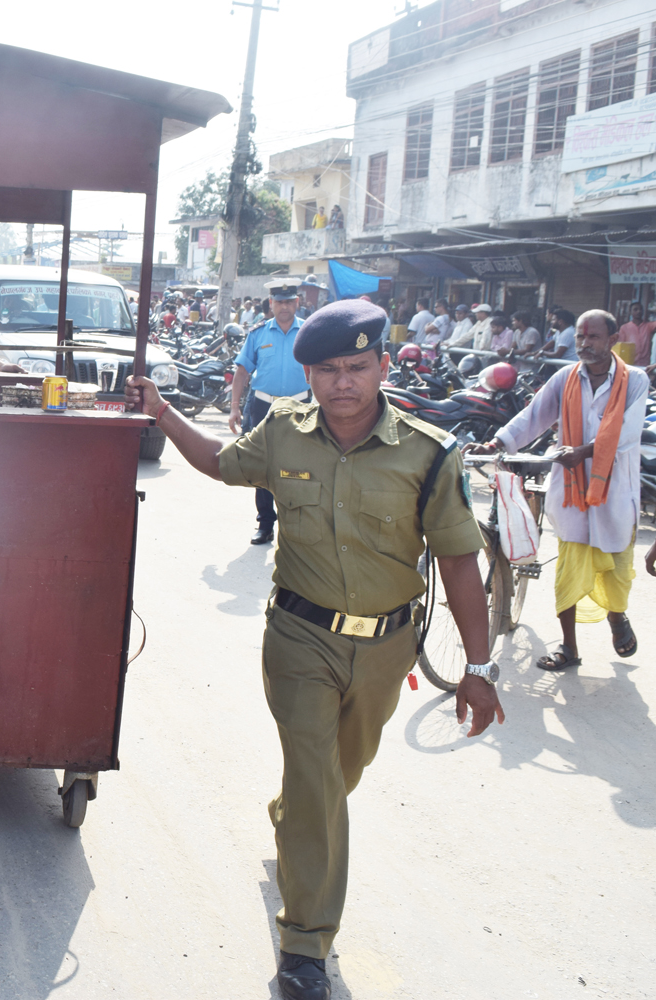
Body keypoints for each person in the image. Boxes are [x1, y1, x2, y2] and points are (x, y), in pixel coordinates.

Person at [125, 299, 502, 1000]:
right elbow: (220, 462)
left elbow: (457, 563)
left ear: (384, 366)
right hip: (300, 637)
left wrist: (477, 671)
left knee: (338, 773)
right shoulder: (282, 432)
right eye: (327, 369)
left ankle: (293, 822)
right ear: (307, 373)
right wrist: (164, 412)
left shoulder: (428, 452)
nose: (343, 382)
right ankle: (305, 946)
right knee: (316, 774)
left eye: (358, 366)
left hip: (388, 648)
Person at [471, 309, 647, 669]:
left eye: (592, 337)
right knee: (568, 569)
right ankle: (569, 648)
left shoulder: (636, 380)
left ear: (613, 341)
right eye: (580, 336)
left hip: (615, 491)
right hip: (570, 490)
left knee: (615, 569)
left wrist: (582, 452)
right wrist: (495, 444)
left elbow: (626, 434)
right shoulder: (566, 377)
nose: (584, 343)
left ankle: (617, 618)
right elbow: (534, 416)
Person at [229, 279, 312, 546]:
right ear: (271, 304)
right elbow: (242, 372)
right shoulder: (258, 334)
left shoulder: (309, 333)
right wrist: (233, 409)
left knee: (299, 466)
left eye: (289, 301)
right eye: (279, 301)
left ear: (297, 303)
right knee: (264, 467)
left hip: (300, 406)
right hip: (263, 406)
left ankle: (295, 525)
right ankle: (265, 524)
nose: (284, 306)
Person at [617, 302, 655, 366]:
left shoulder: (648, 326)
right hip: (630, 363)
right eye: (635, 309)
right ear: (630, 312)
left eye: (640, 309)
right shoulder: (625, 328)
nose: (638, 311)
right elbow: (621, 346)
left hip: (645, 364)